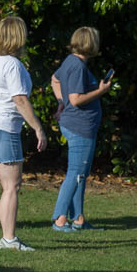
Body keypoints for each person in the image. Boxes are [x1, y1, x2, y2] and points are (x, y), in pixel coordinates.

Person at [49, 27, 112, 231]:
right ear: (90, 44)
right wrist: (100, 91)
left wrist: (60, 102)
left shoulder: (71, 61)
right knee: (76, 173)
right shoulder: (77, 66)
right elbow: (76, 100)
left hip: (77, 125)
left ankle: (78, 218)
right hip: (80, 127)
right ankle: (60, 219)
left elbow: (55, 79)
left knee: (80, 174)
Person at [0, 16, 48, 251]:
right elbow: (19, 99)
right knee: (11, 185)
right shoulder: (12, 65)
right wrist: (38, 127)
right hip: (5, 127)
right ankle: (9, 239)